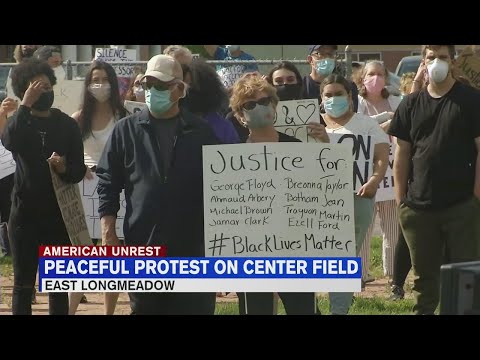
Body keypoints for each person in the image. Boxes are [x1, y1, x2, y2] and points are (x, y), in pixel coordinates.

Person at [96, 54, 220, 315]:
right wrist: (108, 232)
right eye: (148, 85)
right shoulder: (125, 131)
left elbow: (219, 189)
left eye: (161, 86)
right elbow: (108, 181)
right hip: (143, 243)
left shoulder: (201, 132)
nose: (153, 91)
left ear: (179, 89)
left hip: (192, 248)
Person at [389, 45, 480, 315]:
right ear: (423, 62)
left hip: (462, 206)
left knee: (466, 277)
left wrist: (476, 198)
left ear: (452, 61)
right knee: (424, 279)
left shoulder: (472, 100)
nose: (436, 62)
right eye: (431, 57)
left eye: (442, 57)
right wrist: (400, 201)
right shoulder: (410, 103)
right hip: (417, 208)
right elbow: (402, 154)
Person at [230, 73, 328, 315]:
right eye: (250, 105)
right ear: (240, 116)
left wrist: (325, 145)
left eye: (264, 101)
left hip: (295, 249)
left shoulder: (297, 147)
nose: (259, 108)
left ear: (274, 106)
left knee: (303, 309)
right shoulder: (230, 159)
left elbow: (324, 191)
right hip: (250, 252)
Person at [1, 58, 86, 315]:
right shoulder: (20, 121)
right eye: (36, 87)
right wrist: (24, 105)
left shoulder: (67, 125)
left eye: (47, 86)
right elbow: (9, 141)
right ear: (24, 90)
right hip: (24, 216)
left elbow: (79, 171)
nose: (43, 91)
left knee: (57, 286)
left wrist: (63, 169)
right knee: (23, 284)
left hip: (57, 216)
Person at [308, 74, 389, 314]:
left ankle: (339, 310)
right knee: (310, 256)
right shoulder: (311, 125)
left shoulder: (366, 124)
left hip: (357, 199)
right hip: (313, 202)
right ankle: (307, 307)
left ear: (350, 97)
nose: (334, 99)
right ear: (321, 100)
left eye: (339, 94)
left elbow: (381, 157)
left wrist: (374, 180)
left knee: (344, 258)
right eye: (328, 95)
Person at [69, 60, 127, 315]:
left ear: (112, 84)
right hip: (85, 188)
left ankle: (108, 311)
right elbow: (69, 154)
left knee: (112, 255)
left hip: (116, 190)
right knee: (81, 256)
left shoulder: (124, 117)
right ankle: (69, 309)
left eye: (104, 79)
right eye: (94, 80)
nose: (99, 85)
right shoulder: (78, 118)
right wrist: (77, 166)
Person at [356, 60, 402, 286]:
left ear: (387, 77)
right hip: (365, 173)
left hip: (392, 173)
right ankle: (361, 274)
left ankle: (393, 274)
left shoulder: (396, 101)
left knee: (392, 226)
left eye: (380, 74)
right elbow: (359, 130)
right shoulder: (356, 104)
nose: (376, 78)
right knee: (363, 226)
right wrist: (386, 124)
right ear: (362, 78)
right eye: (371, 74)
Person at [181, 58, 239, 144]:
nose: (188, 91)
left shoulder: (222, 127)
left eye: (191, 86)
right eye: (182, 87)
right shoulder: (175, 123)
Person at [303, 45, 359, 112]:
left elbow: (352, 115)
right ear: (310, 59)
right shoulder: (301, 86)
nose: (327, 58)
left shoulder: (348, 86)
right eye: (320, 54)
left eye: (330, 54)